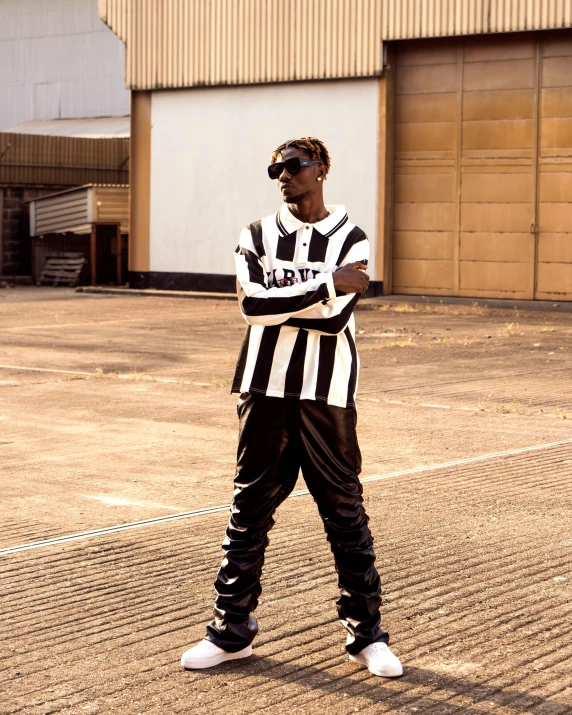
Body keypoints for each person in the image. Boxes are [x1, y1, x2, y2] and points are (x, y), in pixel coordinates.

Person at [181, 137, 402, 678]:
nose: (283, 175)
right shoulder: (255, 234)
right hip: (264, 389)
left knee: (345, 514)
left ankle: (367, 636)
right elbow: (252, 306)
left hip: (327, 396)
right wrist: (326, 283)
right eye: (275, 168)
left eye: (294, 166)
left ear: (321, 169)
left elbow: (330, 322)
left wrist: (294, 301)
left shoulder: (352, 236)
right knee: (248, 512)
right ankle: (230, 632)